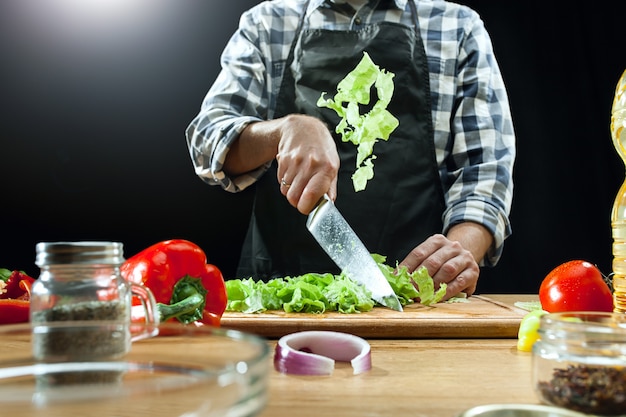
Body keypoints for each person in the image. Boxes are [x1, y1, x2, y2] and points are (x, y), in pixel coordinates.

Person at [186, 0, 515, 301]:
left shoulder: (457, 26)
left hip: (414, 299)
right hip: (282, 300)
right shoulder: (267, 22)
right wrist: (283, 130)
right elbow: (207, 141)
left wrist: (458, 252)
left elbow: (484, 175)